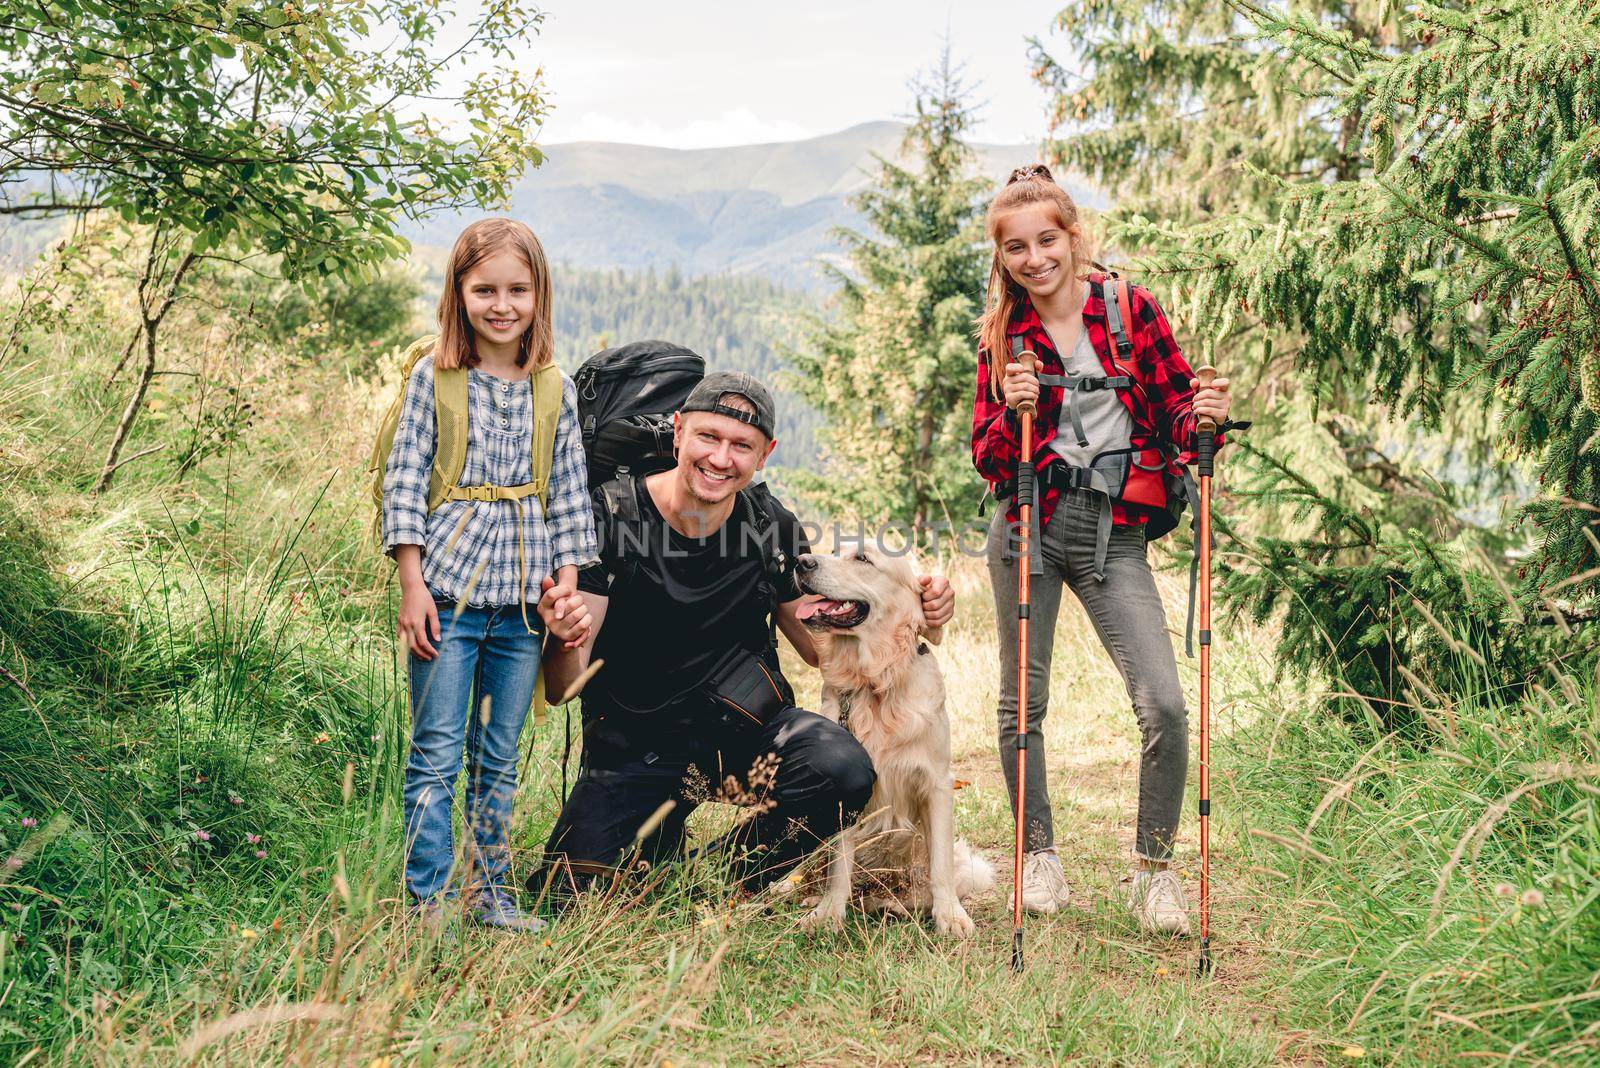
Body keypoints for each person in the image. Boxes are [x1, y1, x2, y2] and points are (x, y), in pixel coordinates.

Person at [532, 370, 955, 898]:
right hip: (636, 745)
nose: (721, 458)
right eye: (708, 437)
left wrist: (918, 614)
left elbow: (819, 644)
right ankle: (658, 845)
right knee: (566, 890)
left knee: (842, 769)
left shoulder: (770, 526)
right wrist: (564, 636)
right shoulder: (609, 517)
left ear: (765, 454)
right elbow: (561, 688)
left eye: (741, 446)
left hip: (742, 734)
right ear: (678, 429)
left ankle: (716, 877)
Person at [970, 165, 1233, 934]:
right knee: (1024, 702)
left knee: (1165, 705)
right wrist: (1012, 411)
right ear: (1003, 256)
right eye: (1015, 247)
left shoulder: (1129, 310)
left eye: (1046, 239)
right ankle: (1037, 856)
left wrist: (1205, 414)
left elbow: (1179, 413)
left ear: (1073, 235)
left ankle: (1154, 872)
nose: (1034, 258)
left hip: (1115, 531)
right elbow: (988, 455)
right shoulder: (1001, 336)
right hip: (1026, 524)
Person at [382, 218, 597, 932]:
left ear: (538, 296)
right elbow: (406, 480)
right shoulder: (436, 378)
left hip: (523, 609)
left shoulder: (551, 387)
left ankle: (490, 896)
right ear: (459, 293)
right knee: (438, 753)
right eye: (484, 290)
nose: (501, 305)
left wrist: (565, 583)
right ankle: (429, 901)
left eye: (516, 290)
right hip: (448, 593)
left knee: (498, 756)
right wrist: (413, 586)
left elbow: (566, 492)